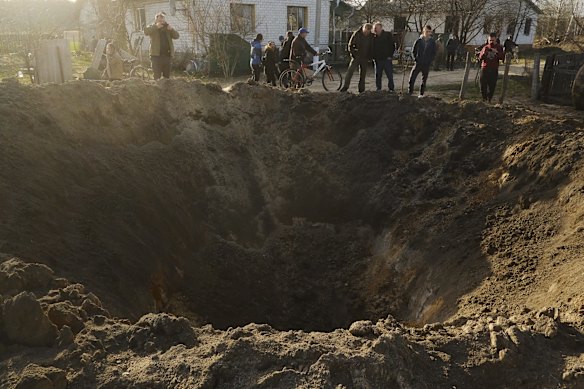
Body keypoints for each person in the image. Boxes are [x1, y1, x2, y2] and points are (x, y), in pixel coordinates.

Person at [144, 12, 179, 80]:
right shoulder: (152, 27)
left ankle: (166, 90)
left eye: (162, 20)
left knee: (166, 78)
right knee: (157, 77)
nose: (161, 22)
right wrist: (156, 27)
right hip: (156, 57)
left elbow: (177, 36)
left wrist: (172, 30)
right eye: (159, 20)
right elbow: (146, 31)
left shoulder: (167, 28)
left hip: (167, 56)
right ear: (156, 20)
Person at [340, 23, 374, 93]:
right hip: (356, 56)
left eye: (368, 31)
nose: (367, 33)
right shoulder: (357, 34)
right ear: (363, 28)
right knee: (350, 72)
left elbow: (372, 46)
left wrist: (370, 56)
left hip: (365, 57)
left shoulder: (371, 36)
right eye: (366, 31)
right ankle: (345, 87)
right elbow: (350, 45)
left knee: (363, 74)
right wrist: (353, 54)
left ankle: (361, 89)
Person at [408, 25, 437, 96]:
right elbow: (413, 51)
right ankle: (410, 92)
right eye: (426, 31)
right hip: (418, 62)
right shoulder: (419, 40)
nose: (428, 33)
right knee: (412, 78)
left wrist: (430, 60)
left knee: (424, 80)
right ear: (423, 31)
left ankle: (421, 94)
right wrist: (415, 59)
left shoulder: (432, 42)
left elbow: (434, 52)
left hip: (426, 63)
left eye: (429, 32)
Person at [478, 32, 504, 103]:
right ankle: (484, 99)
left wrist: (496, 52)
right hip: (485, 68)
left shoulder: (499, 47)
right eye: (490, 40)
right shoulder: (485, 47)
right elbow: (480, 58)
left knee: (492, 86)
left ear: (496, 40)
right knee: (483, 85)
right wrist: (484, 53)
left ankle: (489, 99)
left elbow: (502, 57)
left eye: (493, 40)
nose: (491, 42)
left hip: (493, 69)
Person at [372, 22, 395, 92]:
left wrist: (390, 56)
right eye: (374, 28)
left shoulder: (387, 35)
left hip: (386, 59)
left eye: (377, 28)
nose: (375, 30)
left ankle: (391, 89)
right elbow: (372, 48)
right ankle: (378, 89)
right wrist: (373, 57)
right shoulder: (373, 37)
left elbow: (392, 46)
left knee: (389, 75)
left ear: (381, 28)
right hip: (377, 60)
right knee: (378, 75)